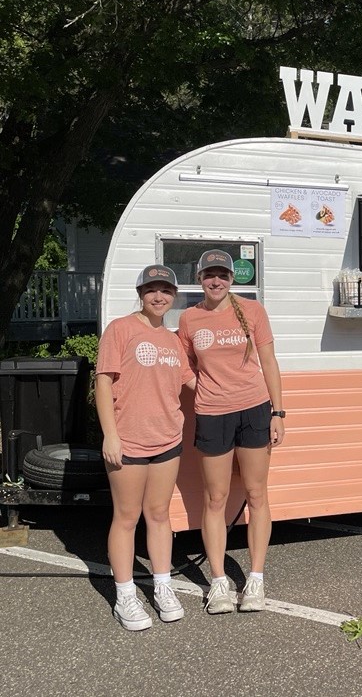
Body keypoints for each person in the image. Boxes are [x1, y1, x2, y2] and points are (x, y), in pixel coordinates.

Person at [177, 249, 285, 615]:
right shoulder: (189, 318)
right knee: (215, 498)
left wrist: (278, 411)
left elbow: (268, 361)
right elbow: (183, 365)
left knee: (256, 494)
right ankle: (219, 581)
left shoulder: (252, 311)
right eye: (209, 275)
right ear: (199, 279)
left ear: (232, 279)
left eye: (222, 274)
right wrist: (203, 387)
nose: (216, 281)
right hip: (212, 414)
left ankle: (255, 578)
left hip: (254, 410)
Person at [95, 265, 196, 631]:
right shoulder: (120, 329)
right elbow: (103, 383)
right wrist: (110, 434)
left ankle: (163, 586)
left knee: (158, 515)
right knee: (126, 517)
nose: (159, 296)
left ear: (173, 296)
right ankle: (124, 594)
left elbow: (192, 382)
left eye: (166, 290)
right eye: (152, 289)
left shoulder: (171, 340)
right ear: (141, 293)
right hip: (129, 440)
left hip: (168, 439)